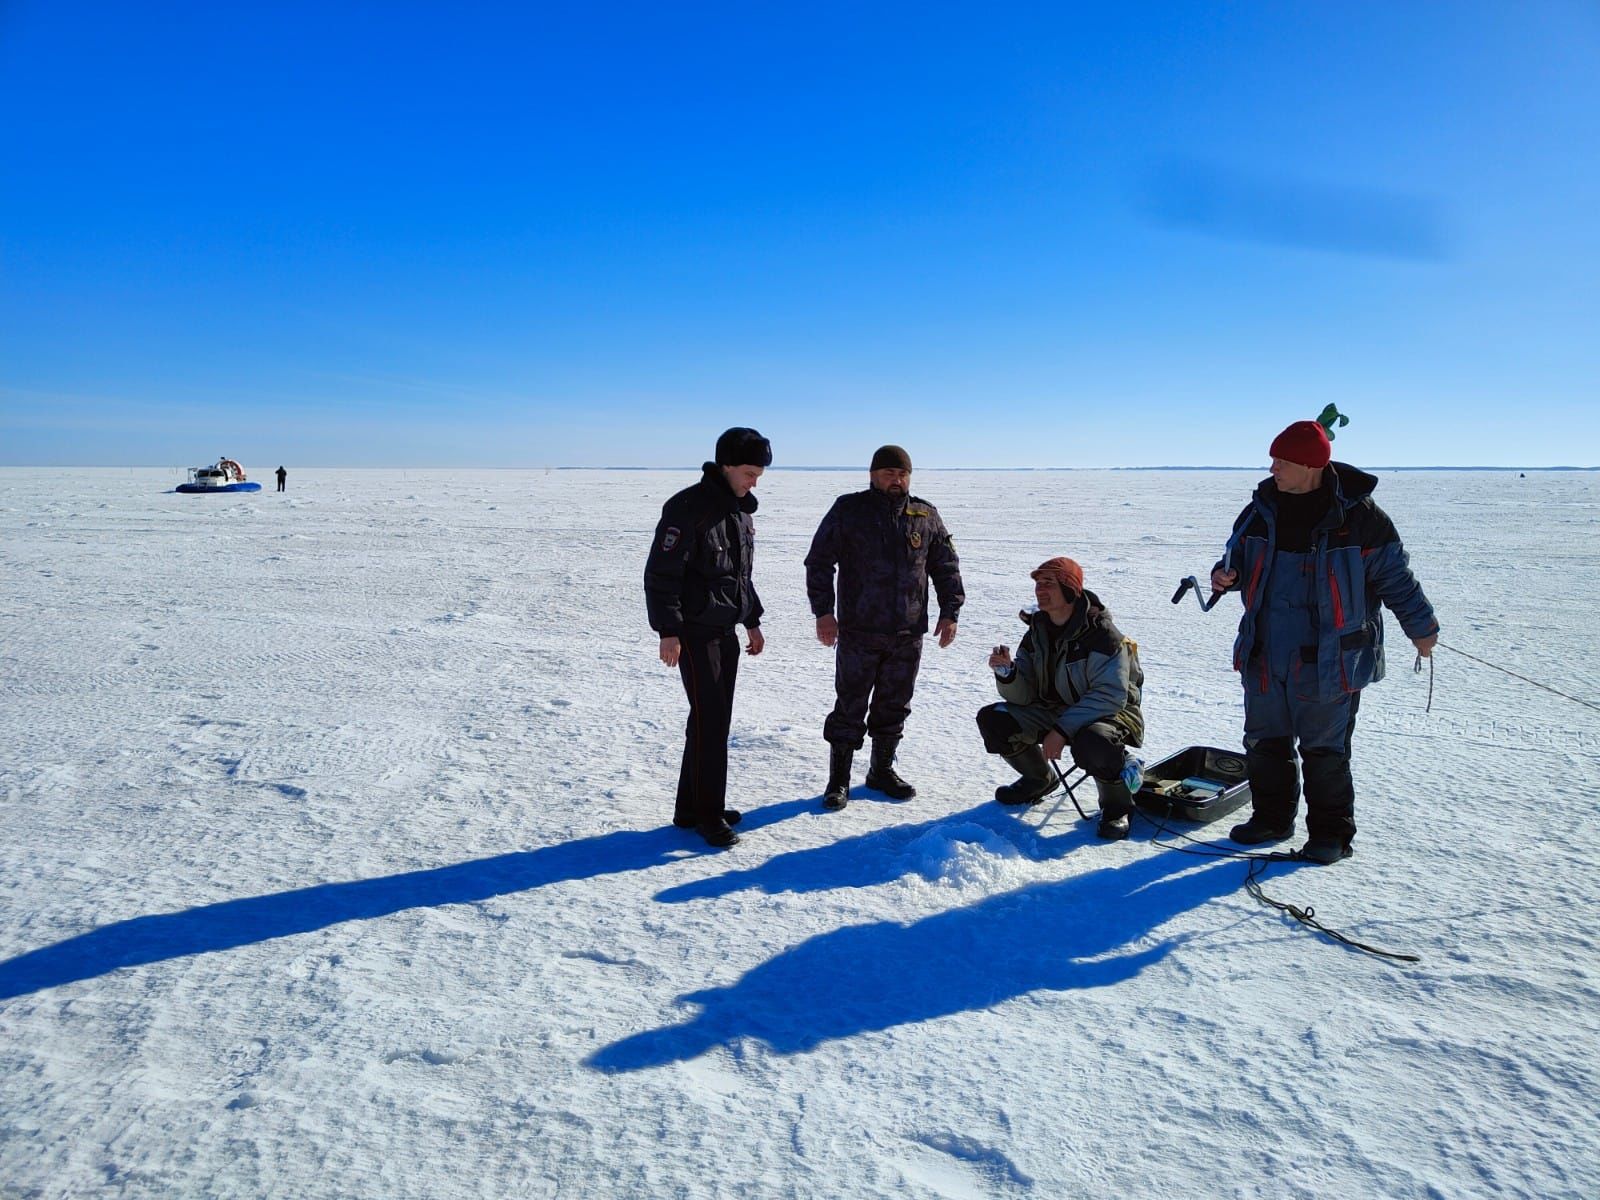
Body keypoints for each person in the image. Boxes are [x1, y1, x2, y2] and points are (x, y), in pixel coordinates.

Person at [1210, 419, 1439, 864]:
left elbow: (1397, 580)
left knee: (1324, 751)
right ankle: (1271, 819)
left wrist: (1422, 629)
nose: (1272, 467)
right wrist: (1224, 577)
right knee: (1264, 742)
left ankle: (1331, 836)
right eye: (1273, 458)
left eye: (1282, 461)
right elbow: (1232, 559)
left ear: (1311, 466)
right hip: (1265, 650)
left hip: (1330, 658)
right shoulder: (1259, 509)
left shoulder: (1359, 518)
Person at [804, 445, 964, 810]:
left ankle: (881, 771)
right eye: (889, 473)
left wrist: (950, 610)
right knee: (850, 705)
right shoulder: (849, 510)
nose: (897, 480)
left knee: (894, 705)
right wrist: (823, 613)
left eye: (903, 473)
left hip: (907, 633)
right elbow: (818, 562)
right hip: (859, 630)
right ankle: (838, 780)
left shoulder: (923, 515)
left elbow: (945, 566)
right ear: (873, 475)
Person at [644, 427, 771, 848]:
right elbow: (662, 575)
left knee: (708, 720)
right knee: (712, 722)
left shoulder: (738, 512)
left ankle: (691, 807)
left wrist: (751, 619)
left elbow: (740, 576)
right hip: (696, 635)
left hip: (725, 631)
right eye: (750, 472)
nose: (756, 481)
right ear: (727, 466)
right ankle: (708, 815)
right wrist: (669, 631)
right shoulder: (688, 508)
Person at [977, 557, 1146, 839]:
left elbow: (1110, 696)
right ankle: (1038, 780)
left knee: (1095, 741)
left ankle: (1118, 807)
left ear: (1070, 589)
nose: (1040, 590)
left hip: (1109, 715)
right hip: (1053, 711)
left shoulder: (1103, 636)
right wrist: (1008, 674)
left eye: (1049, 584)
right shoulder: (1037, 631)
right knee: (995, 719)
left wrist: (1061, 729)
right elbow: (1025, 695)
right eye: (1037, 584)